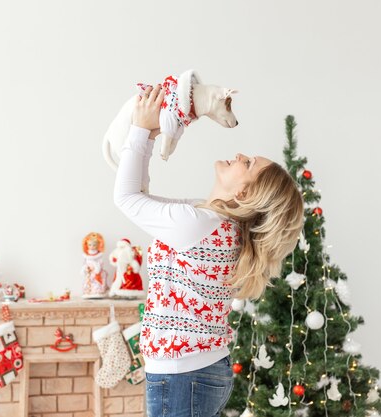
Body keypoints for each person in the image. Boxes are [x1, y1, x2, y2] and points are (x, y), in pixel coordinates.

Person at [113, 84, 304, 417]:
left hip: (183, 375)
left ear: (244, 193)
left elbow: (127, 199)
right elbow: (141, 196)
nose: (241, 155)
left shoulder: (199, 223)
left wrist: (141, 130)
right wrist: (150, 135)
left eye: (248, 163)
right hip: (194, 373)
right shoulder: (208, 221)